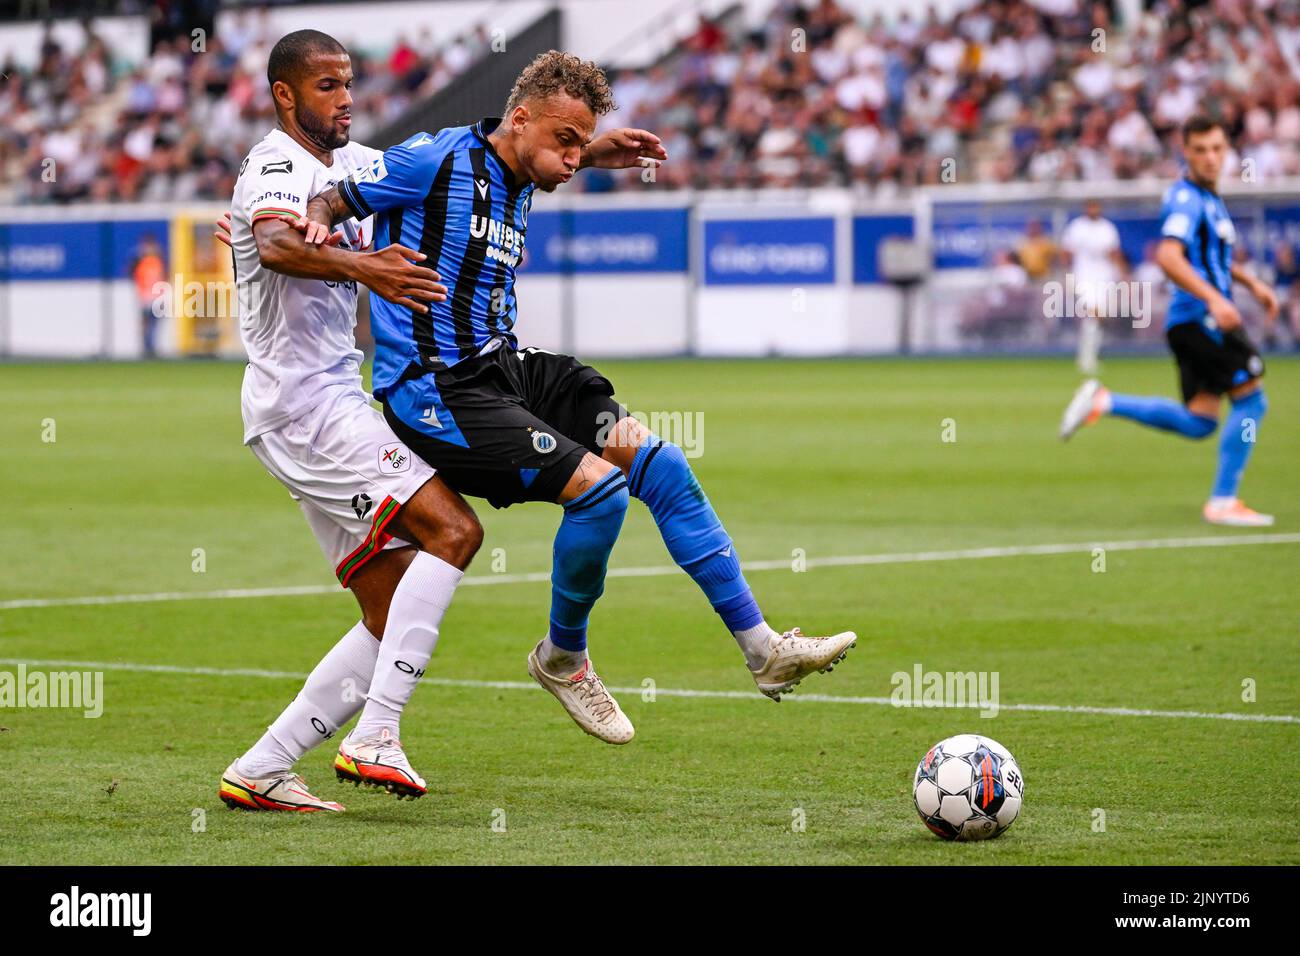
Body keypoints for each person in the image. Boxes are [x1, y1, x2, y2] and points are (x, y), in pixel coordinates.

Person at [300, 51, 858, 745]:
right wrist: (324, 227)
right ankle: (564, 657)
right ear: (522, 117)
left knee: (664, 466)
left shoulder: (527, 164)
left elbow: (541, 156)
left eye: (578, 144)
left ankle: (763, 650)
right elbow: (337, 195)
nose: (569, 160)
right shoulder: (433, 160)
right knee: (600, 494)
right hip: (435, 391)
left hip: (509, 369)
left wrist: (590, 153)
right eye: (564, 141)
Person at [214, 30, 483, 812]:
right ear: (285, 97)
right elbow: (272, 245)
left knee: (390, 601)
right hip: (305, 407)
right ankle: (377, 734)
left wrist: (581, 151)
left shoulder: (358, 166)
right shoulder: (273, 163)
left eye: (349, 83)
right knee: (454, 533)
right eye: (327, 86)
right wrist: (365, 266)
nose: (346, 99)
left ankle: (264, 766)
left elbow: (456, 160)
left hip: (325, 403)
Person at [1060, 115, 1279, 527]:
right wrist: (1215, 299)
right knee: (1252, 400)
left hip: (1192, 322)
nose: (1211, 158)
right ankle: (1223, 501)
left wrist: (1251, 283)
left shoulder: (1210, 199)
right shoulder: (1186, 199)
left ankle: (1105, 401)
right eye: (1200, 150)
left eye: (1217, 149)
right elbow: (1168, 255)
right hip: (1201, 319)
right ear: (1186, 153)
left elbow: (1212, 259)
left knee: (1200, 421)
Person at [1059, 199, 1124, 374]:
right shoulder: (1077, 227)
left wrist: (1123, 276)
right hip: (1084, 276)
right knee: (1092, 313)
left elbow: (1114, 253)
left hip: (1104, 277)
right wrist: (1067, 274)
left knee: (1098, 317)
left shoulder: (1107, 228)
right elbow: (1066, 252)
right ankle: (1087, 358)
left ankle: (1090, 354)